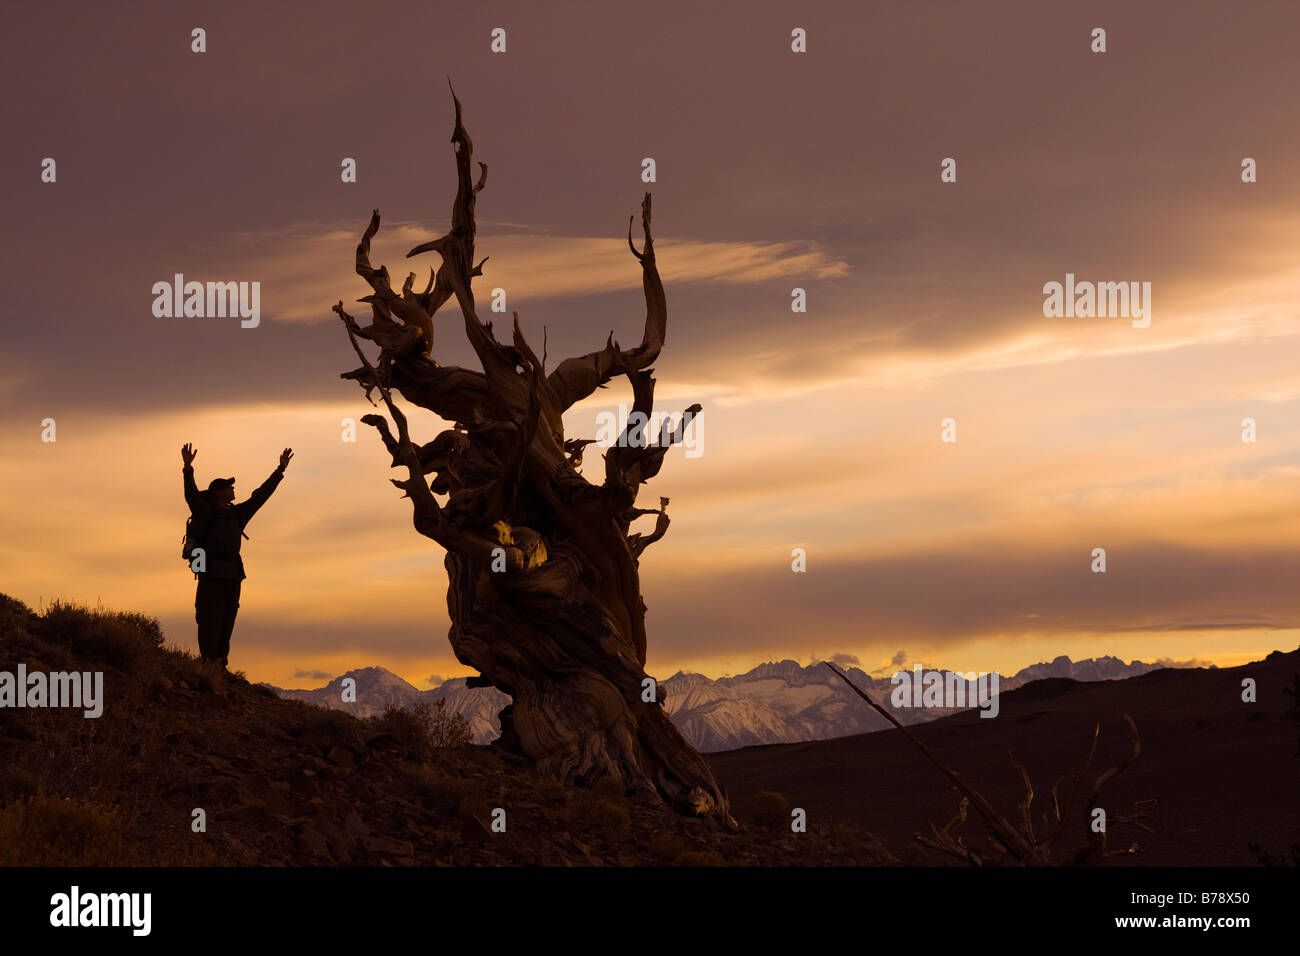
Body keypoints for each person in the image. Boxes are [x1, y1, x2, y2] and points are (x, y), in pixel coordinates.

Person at [181, 443, 293, 670]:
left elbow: (260, 497)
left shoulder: (237, 514)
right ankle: (207, 665)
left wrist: (279, 471)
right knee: (208, 619)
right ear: (218, 492)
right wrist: (187, 468)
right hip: (210, 574)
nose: (233, 489)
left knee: (227, 621)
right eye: (228, 487)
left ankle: (219, 666)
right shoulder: (205, 511)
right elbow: (191, 495)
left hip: (233, 575)